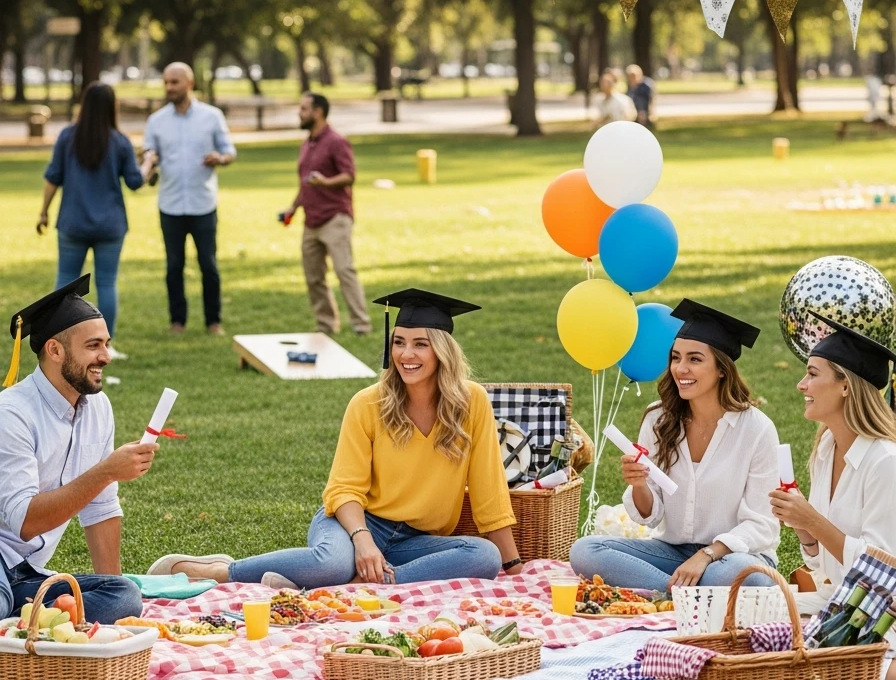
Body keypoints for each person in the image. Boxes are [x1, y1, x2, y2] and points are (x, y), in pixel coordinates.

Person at [147, 288, 521, 588]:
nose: (406, 354)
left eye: (421, 344)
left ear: (442, 352)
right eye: (399, 342)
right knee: (331, 562)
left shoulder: (471, 402)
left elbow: (489, 488)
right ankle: (221, 571)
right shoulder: (368, 403)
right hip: (353, 522)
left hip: (416, 540)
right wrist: (363, 542)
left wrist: (514, 566)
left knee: (482, 557)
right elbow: (343, 489)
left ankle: (361, 584)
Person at [570, 299, 779, 590]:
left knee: (750, 577)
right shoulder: (659, 419)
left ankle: (668, 592)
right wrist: (639, 484)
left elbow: (763, 524)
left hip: (734, 557)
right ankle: (680, 597)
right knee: (586, 550)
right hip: (674, 554)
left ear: (721, 368)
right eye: (676, 357)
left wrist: (707, 555)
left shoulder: (756, 429)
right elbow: (651, 516)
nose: (680, 368)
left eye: (694, 359)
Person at [0, 277, 156, 624]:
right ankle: (24, 621)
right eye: (94, 345)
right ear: (55, 351)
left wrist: (119, 616)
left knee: (123, 596)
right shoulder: (11, 414)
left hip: (28, 576)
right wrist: (106, 471)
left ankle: (22, 623)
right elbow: (25, 521)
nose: (106, 356)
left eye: (107, 344)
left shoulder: (98, 409)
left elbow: (100, 510)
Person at [769, 315, 896, 602]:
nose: (802, 385)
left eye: (813, 374)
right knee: (753, 608)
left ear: (845, 386)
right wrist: (801, 526)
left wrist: (812, 520)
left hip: (877, 614)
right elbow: (820, 564)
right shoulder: (826, 447)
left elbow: (882, 573)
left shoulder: (885, 462)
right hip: (837, 597)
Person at [37, 81, 151, 357]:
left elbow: (53, 178)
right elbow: (136, 181)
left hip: (73, 222)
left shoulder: (67, 137)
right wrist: (148, 161)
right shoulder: (120, 141)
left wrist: (43, 211)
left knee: (65, 282)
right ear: (113, 107)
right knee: (107, 283)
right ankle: (104, 349)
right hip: (110, 225)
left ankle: (57, 344)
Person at [142, 63, 235, 336]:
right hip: (170, 204)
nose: (169, 87)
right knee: (173, 266)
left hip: (203, 203)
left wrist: (220, 158)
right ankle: (177, 322)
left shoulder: (212, 116)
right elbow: (148, 160)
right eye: (166, 82)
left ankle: (213, 321)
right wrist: (150, 163)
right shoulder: (156, 121)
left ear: (189, 83)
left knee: (209, 265)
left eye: (175, 82)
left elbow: (229, 151)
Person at [280, 92, 371, 336]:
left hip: (335, 217)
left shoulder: (336, 141)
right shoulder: (307, 143)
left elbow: (349, 175)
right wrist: (293, 207)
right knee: (314, 276)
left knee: (344, 271)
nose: (299, 113)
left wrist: (325, 182)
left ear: (317, 112)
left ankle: (361, 324)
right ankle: (326, 325)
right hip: (311, 219)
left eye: (303, 109)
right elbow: (306, 183)